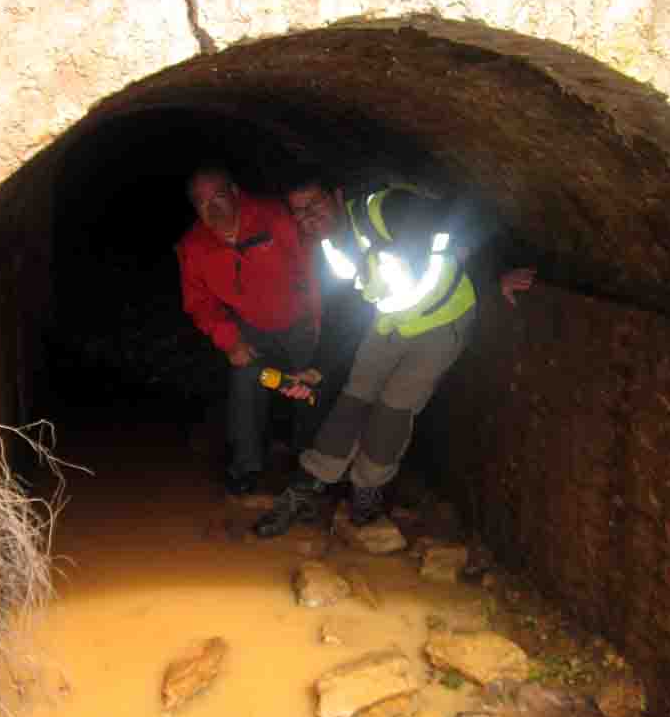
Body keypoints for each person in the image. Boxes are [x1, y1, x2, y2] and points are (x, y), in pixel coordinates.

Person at [253, 179, 535, 538]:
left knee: (393, 410)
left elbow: (464, 215)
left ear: (336, 196)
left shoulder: (386, 210)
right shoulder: (331, 249)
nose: (308, 216)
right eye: (299, 211)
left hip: (442, 320)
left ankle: (366, 492)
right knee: (353, 400)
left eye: (314, 203)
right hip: (389, 321)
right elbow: (344, 315)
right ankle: (305, 488)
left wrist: (499, 272)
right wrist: (317, 370)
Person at [176, 166, 317, 495]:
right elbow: (199, 303)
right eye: (202, 203)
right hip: (251, 326)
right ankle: (246, 467)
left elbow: (313, 270)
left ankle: (314, 467)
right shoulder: (193, 247)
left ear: (235, 193)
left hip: (300, 318)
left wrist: (319, 324)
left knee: (312, 385)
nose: (212, 208)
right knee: (244, 381)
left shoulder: (275, 217)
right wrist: (231, 341)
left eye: (218, 197)